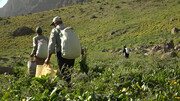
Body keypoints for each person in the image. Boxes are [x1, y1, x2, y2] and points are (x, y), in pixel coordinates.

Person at [45, 16, 75, 84]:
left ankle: (67, 89)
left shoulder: (55, 30)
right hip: (71, 53)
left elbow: (51, 45)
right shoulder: (68, 29)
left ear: (55, 23)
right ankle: (70, 87)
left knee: (64, 73)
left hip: (61, 54)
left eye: (54, 24)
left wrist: (48, 58)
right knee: (69, 73)